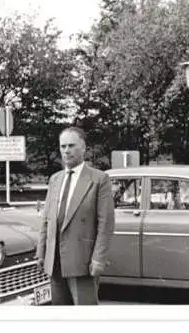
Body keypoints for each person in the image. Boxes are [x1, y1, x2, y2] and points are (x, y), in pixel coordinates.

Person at [36, 127, 115, 305]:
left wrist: (98, 259)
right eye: (63, 146)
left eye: (71, 145)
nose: (66, 150)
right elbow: (47, 220)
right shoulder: (55, 179)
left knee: (84, 318)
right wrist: (41, 253)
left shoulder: (99, 179)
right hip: (54, 262)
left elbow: (106, 224)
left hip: (83, 262)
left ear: (84, 148)